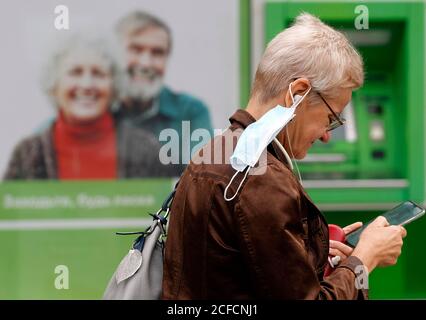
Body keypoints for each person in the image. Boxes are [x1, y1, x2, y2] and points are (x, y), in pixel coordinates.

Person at [162, 14, 406, 299]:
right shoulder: (263, 179)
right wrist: (365, 259)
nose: (327, 135)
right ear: (298, 92)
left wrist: (308, 247)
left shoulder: (215, 150)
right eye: (330, 118)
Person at [4, 35, 174, 180]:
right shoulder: (26, 154)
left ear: (114, 85)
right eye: (75, 72)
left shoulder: (147, 151)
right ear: (54, 83)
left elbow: (169, 214)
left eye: (98, 73)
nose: (87, 84)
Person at [113, 11, 213, 171]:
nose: (146, 63)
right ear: (114, 54)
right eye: (136, 50)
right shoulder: (94, 109)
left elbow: (201, 179)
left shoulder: (191, 112)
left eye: (157, 53)